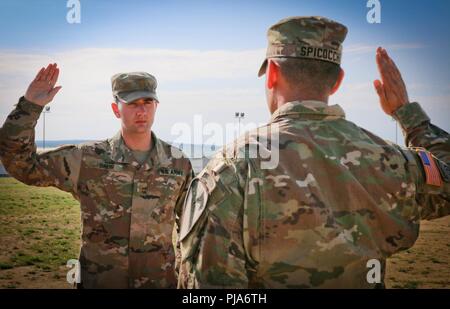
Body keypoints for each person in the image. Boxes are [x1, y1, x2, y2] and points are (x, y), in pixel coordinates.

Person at [176, 16, 450, 288]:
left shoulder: (232, 167)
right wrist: (409, 115)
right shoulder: (391, 159)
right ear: (337, 81)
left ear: (272, 73)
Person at [0, 65, 193, 288]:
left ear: (156, 106)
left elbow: (191, 227)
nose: (141, 111)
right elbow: (22, 165)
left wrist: (183, 276)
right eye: (132, 103)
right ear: (116, 109)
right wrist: (30, 106)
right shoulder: (87, 159)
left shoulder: (178, 163)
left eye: (147, 102)